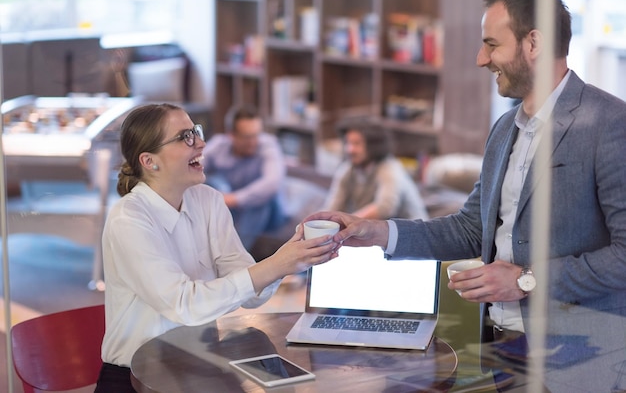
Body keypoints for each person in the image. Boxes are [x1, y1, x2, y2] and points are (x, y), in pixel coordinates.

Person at [306, 0, 626, 391]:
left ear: (534, 43)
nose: (480, 58)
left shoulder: (610, 124)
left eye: (492, 45)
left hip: (582, 362)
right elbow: (470, 229)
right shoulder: (504, 129)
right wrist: (378, 232)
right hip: (503, 348)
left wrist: (525, 279)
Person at [95, 103, 336, 392]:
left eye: (195, 131)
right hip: (135, 377)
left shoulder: (208, 200)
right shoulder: (129, 218)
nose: (201, 143)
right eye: (185, 137)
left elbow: (251, 294)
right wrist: (277, 264)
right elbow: (184, 305)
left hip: (197, 366)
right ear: (149, 161)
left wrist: (290, 259)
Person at [202, 104, 286, 250]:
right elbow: (192, 167)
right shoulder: (219, 145)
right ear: (231, 135)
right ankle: (204, 245)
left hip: (270, 212)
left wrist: (233, 199)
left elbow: (272, 183)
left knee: (260, 200)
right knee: (208, 184)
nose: (254, 142)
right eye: (247, 137)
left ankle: (238, 254)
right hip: (238, 209)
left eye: (257, 135)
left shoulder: (268, 145)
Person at [323, 118, 428, 220]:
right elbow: (333, 207)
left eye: (357, 143)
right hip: (374, 232)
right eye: (347, 143)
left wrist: (347, 223)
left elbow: (384, 208)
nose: (350, 149)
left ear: (374, 146)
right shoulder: (347, 170)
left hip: (410, 232)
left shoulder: (389, 168)